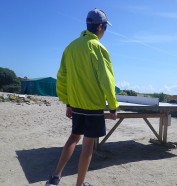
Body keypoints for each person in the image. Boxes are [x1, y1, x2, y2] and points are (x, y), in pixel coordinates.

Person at [45, 8, 119, 186]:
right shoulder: (99, 48)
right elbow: (107, 80)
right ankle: (79, 184)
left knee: (73, 137)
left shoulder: (70, 47)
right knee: (87, 146)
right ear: (100, 27)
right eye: (105, 28)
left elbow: (62, 77)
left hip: (76, 104)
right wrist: (113, 106)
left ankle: (55, 178)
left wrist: (67, 102)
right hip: (93, 106)